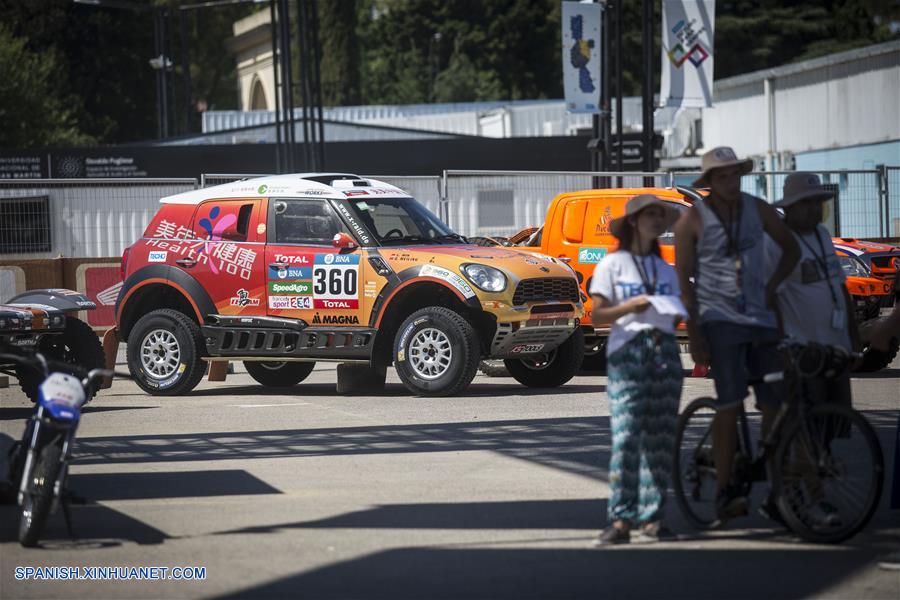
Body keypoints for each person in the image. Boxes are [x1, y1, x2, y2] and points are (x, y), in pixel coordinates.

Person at [674, 147, 800, 522]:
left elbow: (791, 249)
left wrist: (771, 287)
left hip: (760, 321)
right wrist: (695, 335)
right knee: (729, 402)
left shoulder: (757, 208)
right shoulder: (693, 220)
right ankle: (726, 490)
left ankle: (779, 493)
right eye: (722, 176)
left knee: (775, 404)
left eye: (735, 174)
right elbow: (684, 282)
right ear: (709, 182)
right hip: (720, 321)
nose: (731, 182)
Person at [764, 172, 862, 526]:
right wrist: (782, 342)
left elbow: (840, 288)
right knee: (805, 430)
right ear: (791, 207)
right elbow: (769, 294)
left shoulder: (822, 236)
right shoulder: (776, 242)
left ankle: (784, 498)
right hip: (801, 350)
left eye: (819, 203)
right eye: (808, 203)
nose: (816, 210)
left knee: (827, 430)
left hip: (833, 346)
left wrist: (853, 338)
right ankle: (810, 501)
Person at [589, 194, 685, 545]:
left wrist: (675, 311)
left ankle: (653, 518)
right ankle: (620, 519)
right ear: (633, 222)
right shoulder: (612, 265)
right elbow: (597, 315)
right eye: (650, 215)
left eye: (661, 215)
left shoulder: (665, 268)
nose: (657, 221)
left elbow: (674, 313)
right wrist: (631, 305)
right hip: (628, 351)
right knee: (627, 436)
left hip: (665, 350)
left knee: (660, 439)